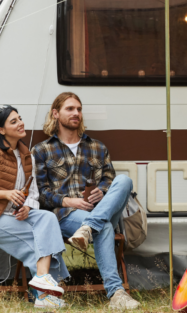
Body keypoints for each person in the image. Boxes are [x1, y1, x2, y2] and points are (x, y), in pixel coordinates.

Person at [34, 92, 140, 311]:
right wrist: (69, 202)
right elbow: (41, 194)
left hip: (101, 209)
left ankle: (89, 227)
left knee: (124, 180)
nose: (76, 114)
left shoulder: (98, 147)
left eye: (79, 109)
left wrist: (102, 191)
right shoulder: (42, 150)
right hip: (65, 216)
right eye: (70, 109)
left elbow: (109, 180)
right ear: (56, 113)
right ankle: (117, 293)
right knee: (105, 227)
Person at [0, 105, 69, 309]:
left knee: (47, 219)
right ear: (1, 130)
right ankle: (43, 293)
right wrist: (5, 194)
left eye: (20, 118)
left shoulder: (25, 154)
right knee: (37, 237)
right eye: (13, 121)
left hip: (10, 215)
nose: (21, 123)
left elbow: (33, 192)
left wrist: (28, 207)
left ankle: (42, 284)